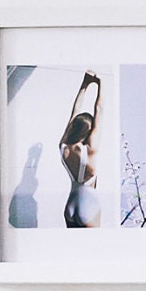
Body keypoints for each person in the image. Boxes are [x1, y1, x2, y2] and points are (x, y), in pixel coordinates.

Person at [59, 73, 102, 230]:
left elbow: (74, 112)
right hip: (88, 204)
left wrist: (84, 85)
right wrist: (100, 83)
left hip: (70, 205)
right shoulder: (90, 149)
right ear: (89, 131)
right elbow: (100, 109)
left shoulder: (63, 146)